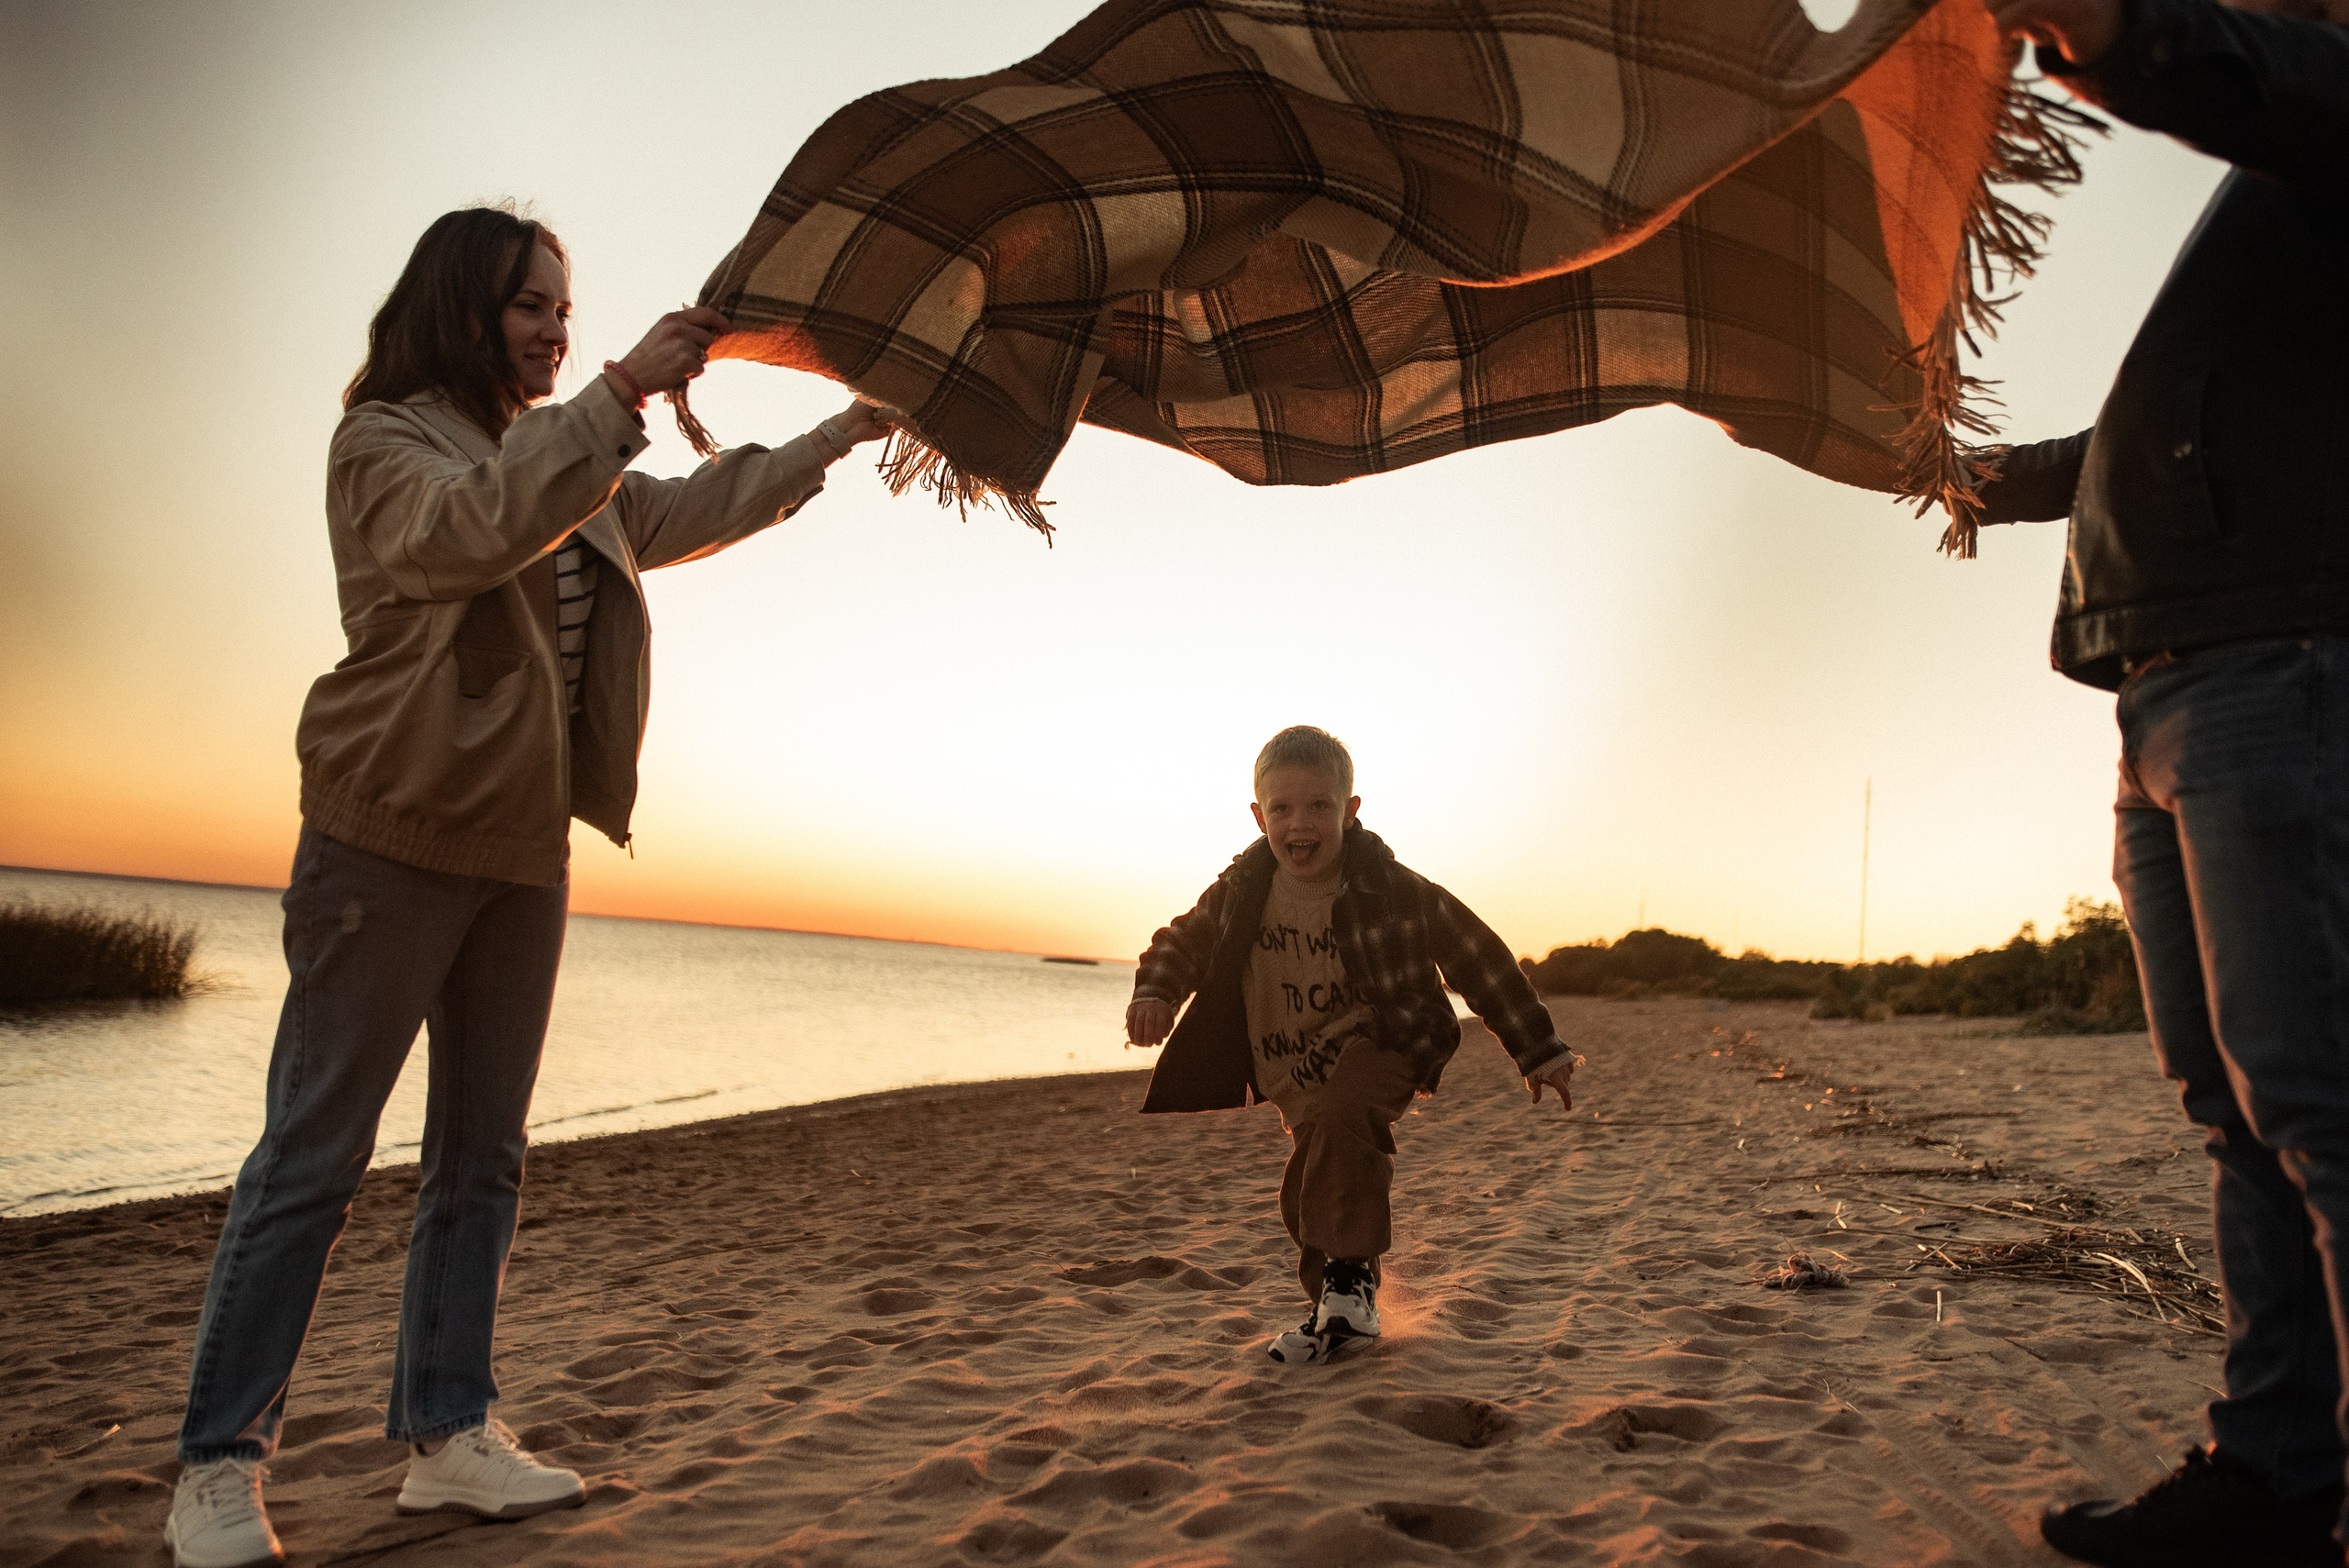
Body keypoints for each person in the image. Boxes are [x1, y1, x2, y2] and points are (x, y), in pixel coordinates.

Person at [162, 205, 893, 1568]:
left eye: (565, 308)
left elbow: (677, 509)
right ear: (463, 308)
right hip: (385, 840)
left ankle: (449, 1439)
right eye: (531, 307)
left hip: (520, 853)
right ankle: (215, 1465)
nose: (555, 328)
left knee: (480, 1162)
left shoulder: (567, 456)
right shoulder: (386, 444)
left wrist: (837, 438)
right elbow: (469, 536)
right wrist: (617, 390)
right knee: (313, 1162)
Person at [1970, 3, 2349, 1564]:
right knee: (2234, 1102)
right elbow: (2164, 417)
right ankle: (2272, 1471)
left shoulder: (2314, 98)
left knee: (2320, 1102)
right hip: (2174, 671)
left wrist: (2112, 27)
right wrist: (1980, 476)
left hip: (2283, 661)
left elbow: (2251, 67)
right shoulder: (2279, 204)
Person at [1123, 726, 1579, 1364]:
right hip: (1294, 1068)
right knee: (1309, 1188)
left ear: (1351, 810)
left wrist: (1539, 1047)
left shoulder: (1387, 886)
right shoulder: (1241, 890)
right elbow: (1182, 940)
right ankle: (1335, 1316)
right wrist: (1156, 993)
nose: (1299, 823)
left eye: (1319, 806)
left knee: (1346, 1120)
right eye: (1281, 808)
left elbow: (1475, 954)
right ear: (1258, 815)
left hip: (1390, 1035)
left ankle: (1348, 1295)